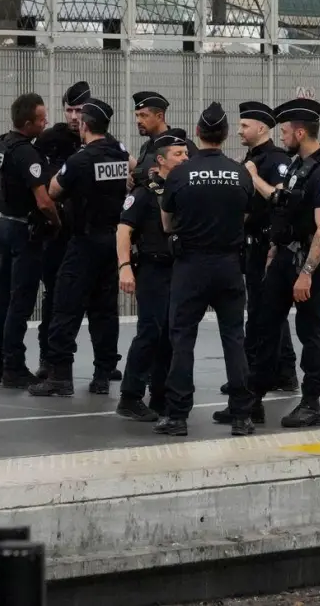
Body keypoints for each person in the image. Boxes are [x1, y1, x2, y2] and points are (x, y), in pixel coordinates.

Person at [240, 98, 320, 428]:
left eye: (284, 131)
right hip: (283, 259)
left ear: (300, 132)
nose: (281, 137)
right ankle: (254, 396)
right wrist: (273, 252)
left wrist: (307, 273)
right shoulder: (299, 166)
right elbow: (281, 206)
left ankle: (311, 403)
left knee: (310, 332)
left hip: (305, 265)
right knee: (265, 327)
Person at [159, 103, 256, 436]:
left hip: (191, 265)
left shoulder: (179, 174)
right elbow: (247, 215)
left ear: (197, 135)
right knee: (234, 338)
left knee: (182, 338)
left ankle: (177, 415)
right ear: (226, 135)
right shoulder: (241, 173)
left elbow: (168, 223)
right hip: (229, 264)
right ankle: (242, 415)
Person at [29, 97, 129, 397]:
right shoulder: (120, 155)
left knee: (65, 305)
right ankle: (102, 374)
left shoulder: (80, 160)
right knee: (105, 310)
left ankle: (60, 377)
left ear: (84, 125)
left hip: (84, 241)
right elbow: (131, 178)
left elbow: (54, 190)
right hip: (112, 241)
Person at [0, 92, 59, 388]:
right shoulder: (26, 152)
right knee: (21, 299)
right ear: (27, 123)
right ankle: (13, 366)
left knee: (1, 296)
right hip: (24, 232)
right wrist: (56, 220)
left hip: (4, 225)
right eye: (41, 119)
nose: (46, 123)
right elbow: (42, 200)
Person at [115, 127, 188, 422]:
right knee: (150, 332)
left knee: (171, 335)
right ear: (160, 161)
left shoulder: (183, 190)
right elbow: (123, 230)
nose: (185, 158)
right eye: (178, 154)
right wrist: (124, 267)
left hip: (178, 270)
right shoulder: (145, 193)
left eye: (186, 153)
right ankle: (130, 396)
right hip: (152, 270)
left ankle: (160, 395)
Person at [29, 81, 90, 382]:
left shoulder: (99, 142)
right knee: (54, 296)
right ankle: (48, 358)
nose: (74, 116)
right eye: (69, 110)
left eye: (79, 110)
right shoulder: (49, 139)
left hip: (86, 230)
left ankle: (104, 365)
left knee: (93, 300)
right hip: (56, 230)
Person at [237, 101, 298, 391]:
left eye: (244, 125)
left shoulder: (276, 160)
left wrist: (253, 176)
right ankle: (264, 372)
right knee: (260, 311)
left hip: (267, 244)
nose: (240, 130)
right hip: (250, 243)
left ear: (262, 128)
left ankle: (281, 373)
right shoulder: (251, 158)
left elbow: (280, 197)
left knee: (268, 312)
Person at [129, 90, 171, 189]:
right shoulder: (145, 147)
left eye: (144, 115)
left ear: (160, 116)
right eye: (137, 115)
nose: (138, 121)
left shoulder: (180, 146)